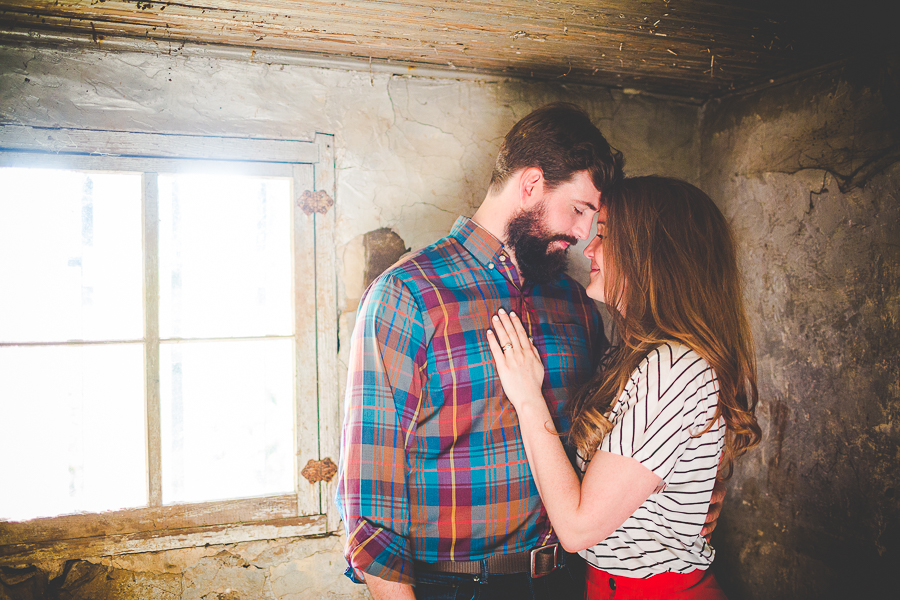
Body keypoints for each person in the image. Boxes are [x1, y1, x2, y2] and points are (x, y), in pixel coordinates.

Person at [335, 104, 721, 600]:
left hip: (568, 579)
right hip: (455, 588)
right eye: (580, 210)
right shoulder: (408, 295)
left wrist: (688, 496)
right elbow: (370, 495)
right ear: (531, 184)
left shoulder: (576, 304)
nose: (584, 236)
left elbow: (626, 438)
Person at [486, 176, 762, 599]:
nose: (588, 247)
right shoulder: (632, 353)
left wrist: (527, 398)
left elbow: (577, 529)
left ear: (654, 254)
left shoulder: (673, 367)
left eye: (606, 235)